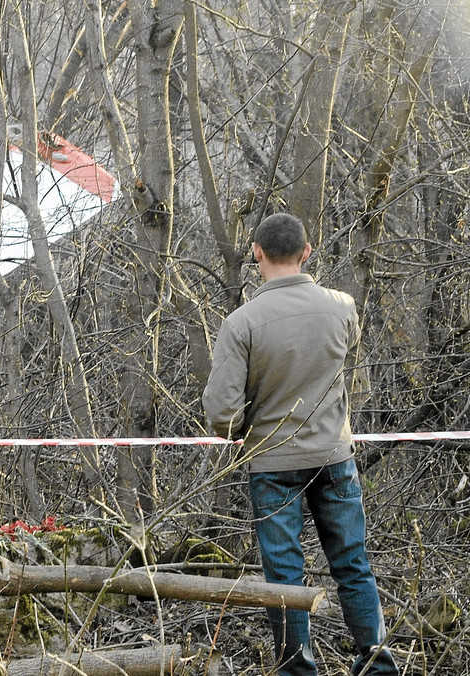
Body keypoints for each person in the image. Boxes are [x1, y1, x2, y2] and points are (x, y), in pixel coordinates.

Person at [203, 213, 399, 675]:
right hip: (335, 455)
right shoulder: (342, 306)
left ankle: (297, 669)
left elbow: (221, 413)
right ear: (307, 252)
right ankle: (377, 664)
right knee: (353, 563)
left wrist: (245, 426)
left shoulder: (241, 322)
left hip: (272, 462)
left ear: (256, 253)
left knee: (284, 575)